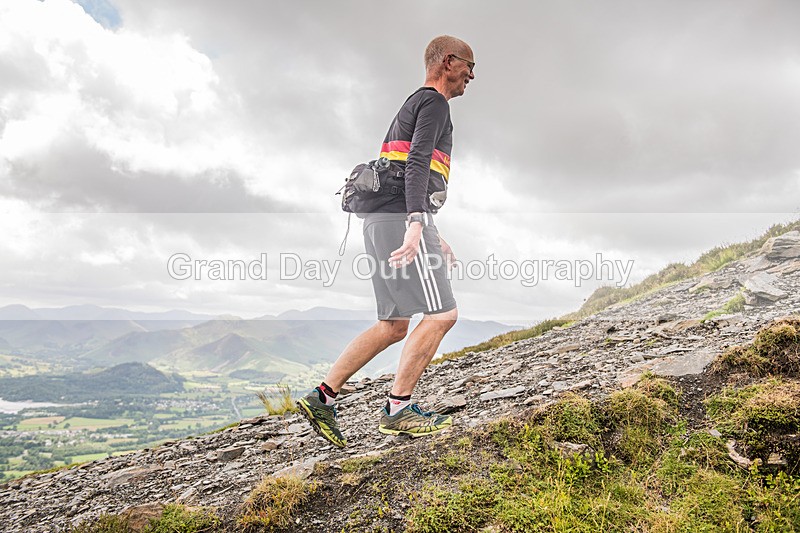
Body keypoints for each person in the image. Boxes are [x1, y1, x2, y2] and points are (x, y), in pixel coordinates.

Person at [297, 35, 476, 447]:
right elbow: (415, 163)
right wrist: (417, 224)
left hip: (381, 221)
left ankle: (322, 397)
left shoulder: (412, 105)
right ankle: (398, 411)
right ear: (448, 62)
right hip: (399, 220)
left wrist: (432, 231)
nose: (471, 75)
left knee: (394, 324)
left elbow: (402, 171)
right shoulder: (433, 103)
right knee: (442, 315)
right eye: (469, 65)